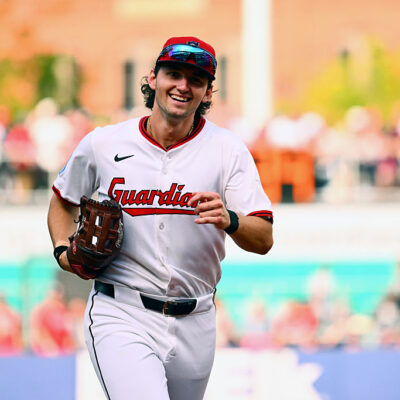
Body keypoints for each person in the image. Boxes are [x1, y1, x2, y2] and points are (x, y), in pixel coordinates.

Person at [47, 36, 273, 400]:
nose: (183, 86)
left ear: (208, 92)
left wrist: (231, 220)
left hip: (196, 318)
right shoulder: (104, 144)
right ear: (153, 78)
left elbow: (263, 238)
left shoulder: (227, 150)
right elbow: (62, 199)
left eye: (196, 79)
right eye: (174, 74)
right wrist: (62, 249)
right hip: (121, 310)